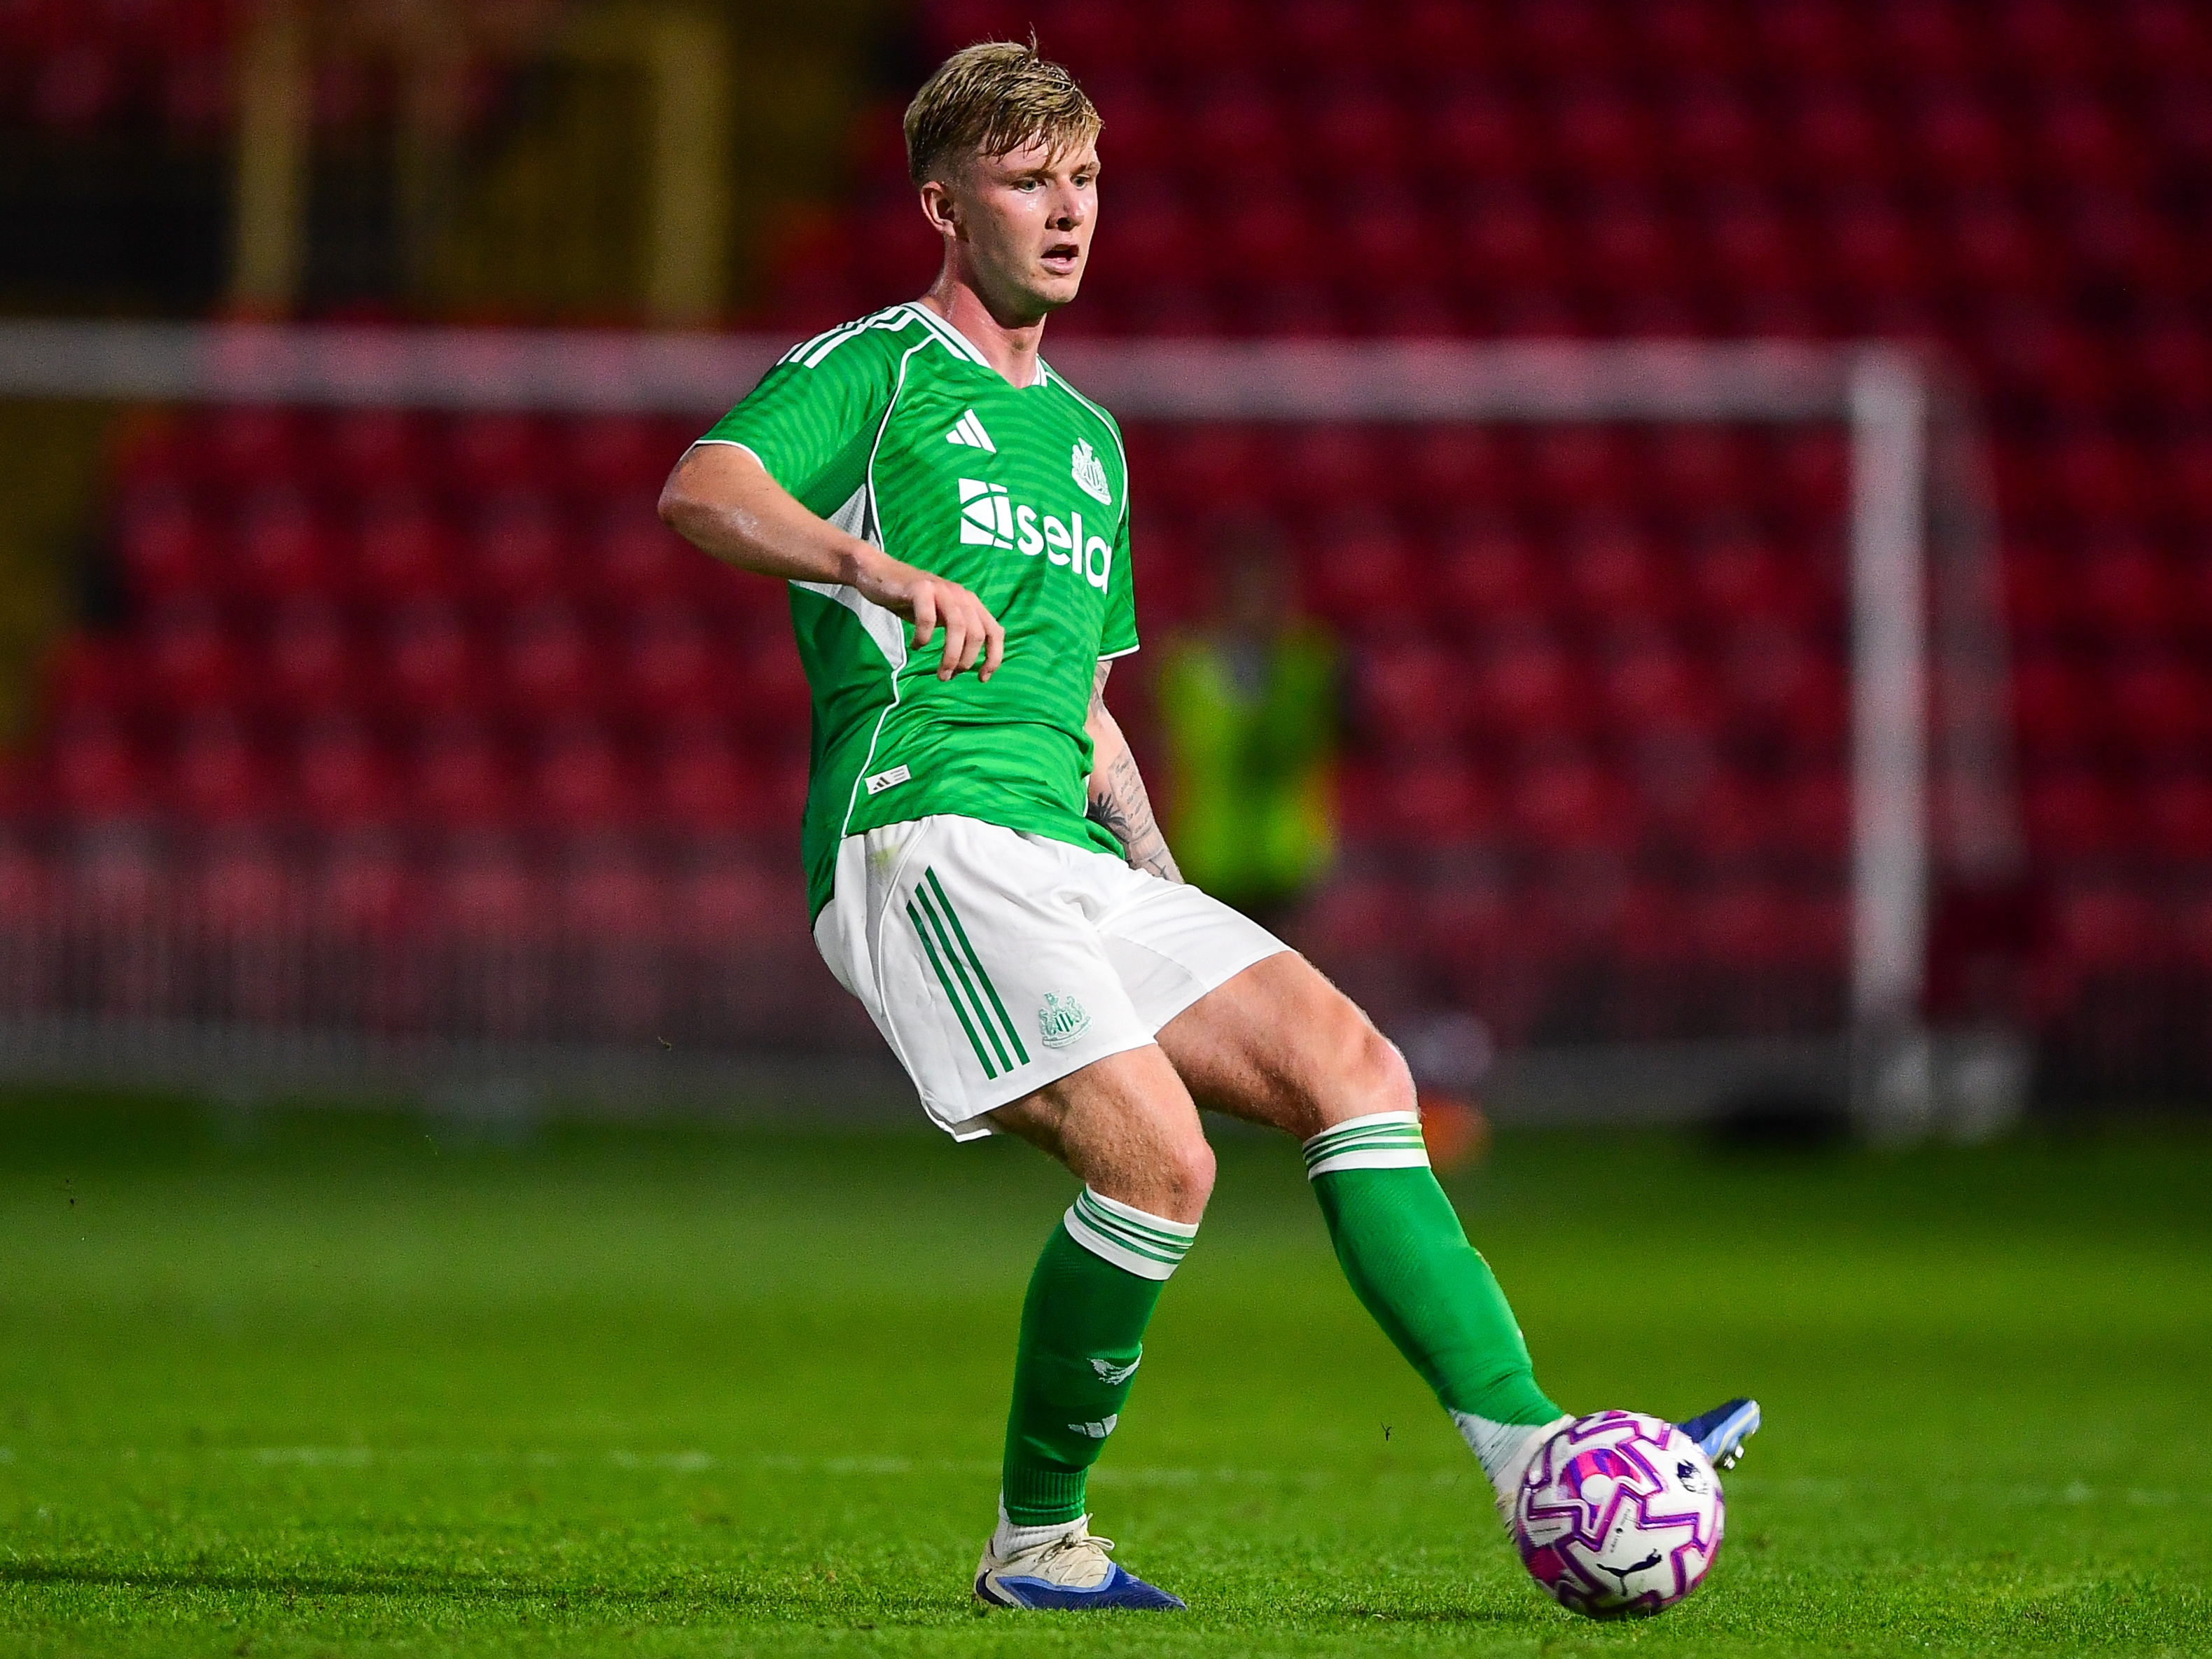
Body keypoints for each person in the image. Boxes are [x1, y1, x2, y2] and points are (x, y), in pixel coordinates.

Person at [658, 39, 1758, 1614]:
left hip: (1068, 843)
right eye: (1026, 179)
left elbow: (1082, 698)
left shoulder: (1093, 442)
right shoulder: (880, 365)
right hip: (924, 834)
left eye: (1084, 179)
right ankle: (1038, 1544)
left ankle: (1536, 1462)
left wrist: (1162, 880)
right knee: (1158, 1162)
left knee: (1353, 1066)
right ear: (940, 201)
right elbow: (700, 487)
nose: (1065, 209)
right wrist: (871, 569)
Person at [1157, 525, 1339, 929]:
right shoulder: (1186, 664)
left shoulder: (1309, 663)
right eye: (1239, 588)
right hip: (1210, 853)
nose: (1251, 601)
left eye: (1261, 589)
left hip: (1287, 854)